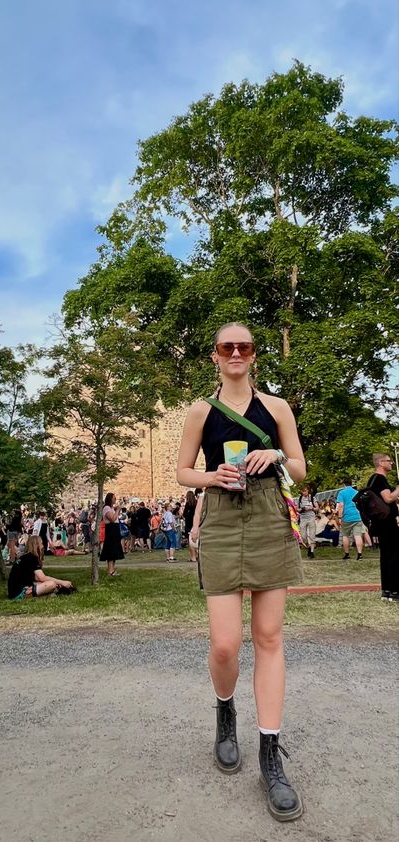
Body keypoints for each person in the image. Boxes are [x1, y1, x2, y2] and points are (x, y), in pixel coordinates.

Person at [177, 322, 306, 822]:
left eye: (244, 346)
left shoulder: (276, 408)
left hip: (271, 514)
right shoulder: (199, 411)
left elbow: (299, 467)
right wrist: (213, 475)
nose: (235, 352)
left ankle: (270, 754)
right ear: (215, 356)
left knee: (269, 636)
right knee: (226, 644)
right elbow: (182, 471)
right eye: (227, 347)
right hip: (223, 518)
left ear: (253, 355)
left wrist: (276, 453)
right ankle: (225, 711)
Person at [367, 454, 399, 601]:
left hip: (379, 521)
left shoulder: (372, 479)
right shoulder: (380, 479)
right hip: (387, 522)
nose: (391, 463)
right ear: (381, 463)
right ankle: (395, 590)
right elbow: (388, 498)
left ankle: (386, 590)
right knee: (394, 554)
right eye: (388, 461)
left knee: (385, 555)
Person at [7, 536, 73, 599]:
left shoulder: (25, 557)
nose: (43, 546)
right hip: (19, 592)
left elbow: (37, 578)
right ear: (36, 545)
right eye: (41, 543)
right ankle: (32, 595)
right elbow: (42, 578)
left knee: (52, 584)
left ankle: (44, 593)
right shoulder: (32, 558)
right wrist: (62, 582)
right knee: (51, 584)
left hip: (14, 592)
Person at [336, 479, 363, 561]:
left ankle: (347, 554)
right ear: (351, 484)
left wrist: (340, 517)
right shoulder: (356, 492)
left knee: (345, 535)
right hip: (357, 516)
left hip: (347, 516)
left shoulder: (342, 492)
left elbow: (341, 505)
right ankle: (360, 554)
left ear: (344, 484)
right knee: (357, 535)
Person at [100, 493, 124, 576]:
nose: (115, 500)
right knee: (111, 549)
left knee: (114, 549)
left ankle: (113, 569)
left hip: (115, 529)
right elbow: (113, 519)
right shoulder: (106, 508)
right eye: (114, 498)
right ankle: (110, 570)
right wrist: (117, 510)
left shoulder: (111, 508)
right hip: (111, 530)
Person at [298, 487, 318, 558]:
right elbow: (297, 509)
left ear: (308, 491)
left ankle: (312, 552)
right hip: (303, 518)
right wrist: (302, 509)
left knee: (312, 535)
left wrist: (311, 508)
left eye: (306, 491)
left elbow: (317, 508)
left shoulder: (312, 498)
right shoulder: (299, 498)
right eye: (303, 491)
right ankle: (308, 547)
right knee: (303, 536)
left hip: (311, 517)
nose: (304, 493)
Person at [182, 490, 198, 561]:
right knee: (196, 540)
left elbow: (184, 514)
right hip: (196, 523)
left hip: (189, 524)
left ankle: (193, 556)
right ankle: (197, 555)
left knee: (190, 541)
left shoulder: (188, 504)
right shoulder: (196, 503)